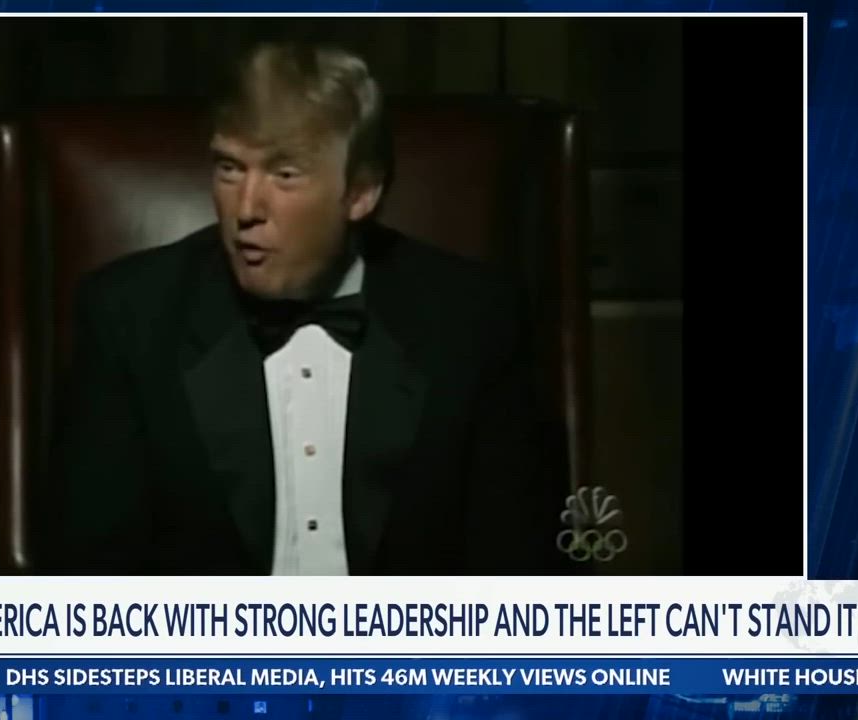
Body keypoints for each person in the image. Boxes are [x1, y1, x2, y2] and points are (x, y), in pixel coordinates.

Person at [49, 41, 569, 575]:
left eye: (285, 175)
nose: (246, 208)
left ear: (361, 192)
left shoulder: (473, 320)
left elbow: (522, 570)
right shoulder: (128, 316)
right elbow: (91, 577)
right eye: (229, 168)